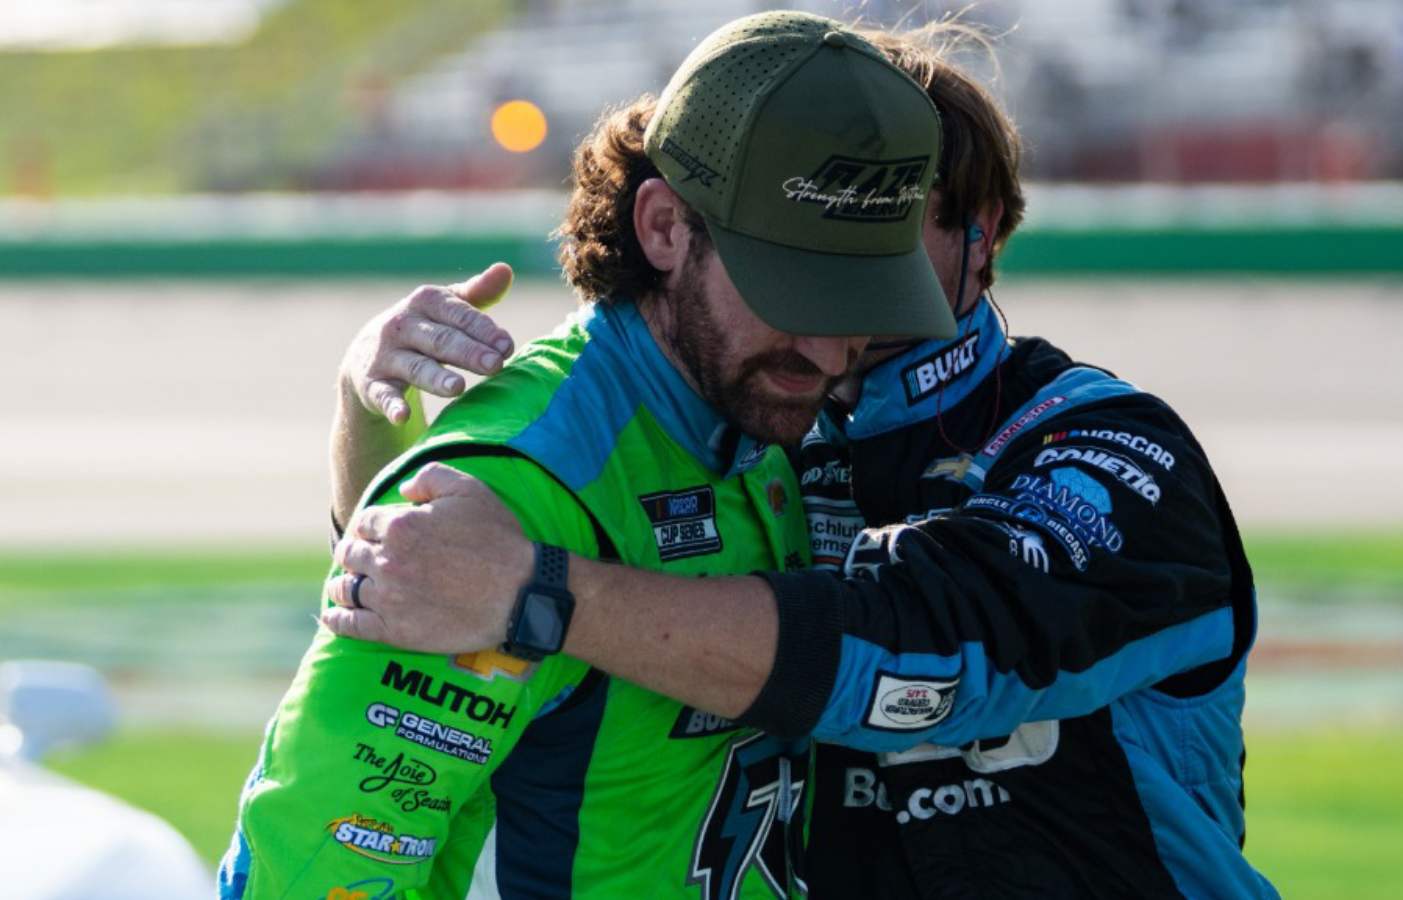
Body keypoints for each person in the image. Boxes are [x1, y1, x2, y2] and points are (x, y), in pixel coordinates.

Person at [320, 23, 1277, 900]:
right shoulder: (757, 430)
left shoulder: (1104, 447)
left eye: (895, 216)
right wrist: (374, 412)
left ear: (982, 232)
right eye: (821, 221)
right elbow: (427, 572)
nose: (850, 265)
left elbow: (928, 648)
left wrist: (544, 596)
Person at [220, 12, 955, 898]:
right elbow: (306, 876)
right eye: (794, 289)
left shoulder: (782, 413)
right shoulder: (504, 499)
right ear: (664, 228)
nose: (836, 352)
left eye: (863, 295)